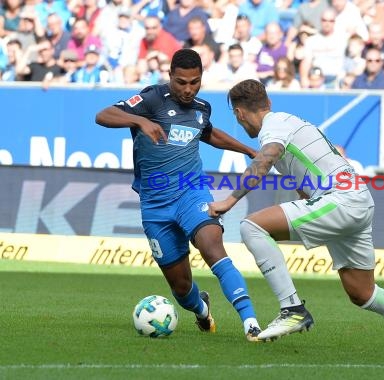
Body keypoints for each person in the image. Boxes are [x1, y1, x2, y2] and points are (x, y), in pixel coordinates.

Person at [208, 78, 384, 355]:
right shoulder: (290, 124)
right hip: (355, 199)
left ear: (238, 113)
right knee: (362, 293)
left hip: (340, 199)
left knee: (252, 227)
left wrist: (229, 200)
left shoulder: (273, 128)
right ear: (268, 102)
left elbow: (264, 160)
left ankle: (292, 307)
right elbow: (303, 181)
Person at [95, 48, 263, 342]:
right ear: (170, 75)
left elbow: (208, 134)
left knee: (213, 249)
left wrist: (248, 150)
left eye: (194, 82)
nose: (188, 89)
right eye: (181, 82)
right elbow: (102, 115)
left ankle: (251, 323)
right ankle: (201, 309)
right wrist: (140, 122)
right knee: (182, 288)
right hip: (155, 205)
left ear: (201, 79)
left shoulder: (202, 108)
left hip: (191, 192)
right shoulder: (149, 99)